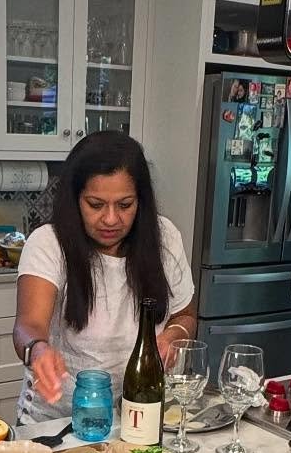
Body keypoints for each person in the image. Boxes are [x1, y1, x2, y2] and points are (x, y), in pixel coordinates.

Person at [12, 131, 198, 422]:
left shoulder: (165, 239)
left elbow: (185, 315)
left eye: (125, 205)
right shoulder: (48, 243)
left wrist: (174, 336)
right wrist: (38, 349)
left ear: (141, 201)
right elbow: (28, 325)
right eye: (96, 204)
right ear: (74, 201)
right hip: (60, 421)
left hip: (140, 414)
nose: (111, 219)